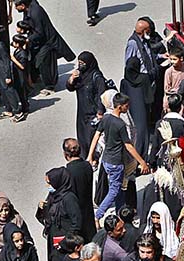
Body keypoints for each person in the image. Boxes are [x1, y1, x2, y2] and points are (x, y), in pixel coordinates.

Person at [88, 93, 150, 222]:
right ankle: (98, 215)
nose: (128, 108)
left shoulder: (105, 118)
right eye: (126, 106)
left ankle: (119, 214)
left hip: (106, 160)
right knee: (115, 190)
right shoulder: (120, 124)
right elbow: (129, 146)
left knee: (121, 187)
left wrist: (90, 156)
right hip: (116, 162)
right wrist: (142, 162)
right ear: (119, 106)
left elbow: (96, 136)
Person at [36, 166, 82, 261]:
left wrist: (65, 243)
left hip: (65, 245)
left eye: (49, 182)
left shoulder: (69, 198)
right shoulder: (53, 196)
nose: (48, 186)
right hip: (53, 243)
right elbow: (45, 219)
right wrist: (41, 208)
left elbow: (76, 223)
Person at [14, 0, 74, 92]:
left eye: (16, 6)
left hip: (47, 42)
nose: (15, 8)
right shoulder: (29, 9)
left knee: (43, 62)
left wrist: (27, 40)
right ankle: (36, 78)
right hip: (38, 42)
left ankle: (50, 86)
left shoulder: (35, 13)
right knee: (33, 59)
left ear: (22, 5)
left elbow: (40, 32)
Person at [67, 52, 108, 157]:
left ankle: (93, 158)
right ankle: (84, 156)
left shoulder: (97, 77)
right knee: (82, 136)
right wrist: (71, 79)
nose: (80, 65)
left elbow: (101, 94)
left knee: (91, 136)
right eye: (79, 63)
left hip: (93, 112)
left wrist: (100, 111)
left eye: (83, 63)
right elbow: (71, 88)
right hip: (82, 111)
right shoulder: (80, 75)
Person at [0, 192, 33, 260]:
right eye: (0, 210)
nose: (4, 213)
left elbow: (27, 239)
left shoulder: (16, 220)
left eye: (6, 210)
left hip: (17, 257)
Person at [63, 139, 97, 241]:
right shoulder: (87, 166)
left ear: (65, 154)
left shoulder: (67, 172)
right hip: (88, 213)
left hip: (77, 215)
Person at [0, 24, 26, 121]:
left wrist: (8, 76)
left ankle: (18, 111)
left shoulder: (1, 46)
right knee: (3, 91)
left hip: (4, 73)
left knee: (9, 92)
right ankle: (8, 110)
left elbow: (6, 61)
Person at [163, 46, 184, 111]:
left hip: (182, 97)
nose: (172, 61)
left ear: (181, 59)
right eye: (171, 59)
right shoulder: (169, 71)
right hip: (172, 98)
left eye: (174, 59)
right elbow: (167, 89)